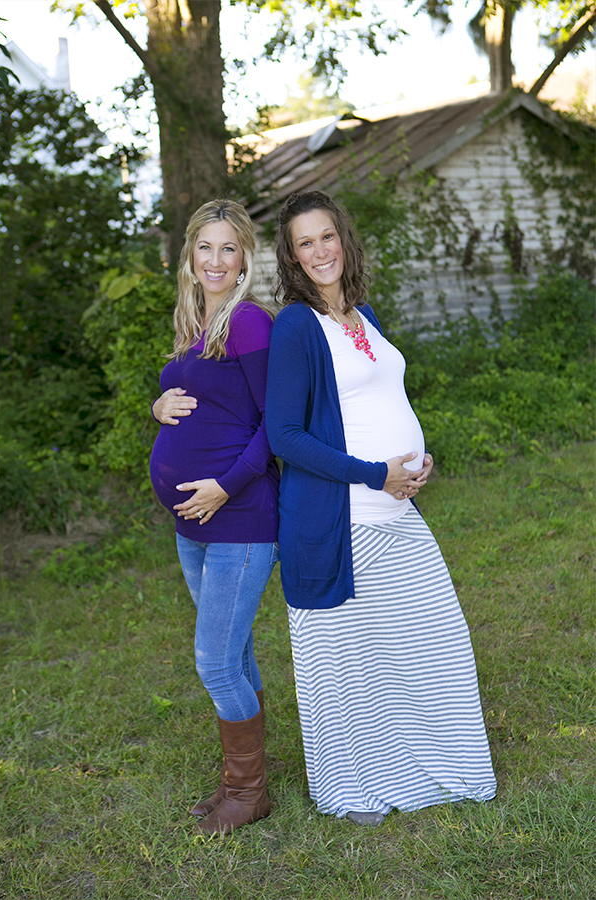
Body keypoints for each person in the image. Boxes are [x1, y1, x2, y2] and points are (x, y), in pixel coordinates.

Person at [265, 190, 496, 826]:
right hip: (342, 523)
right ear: (291, 256)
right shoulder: (296, 326)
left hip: (397, 511)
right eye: (304, 243)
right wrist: (376, 473)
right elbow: (284, 435)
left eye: (327, 236)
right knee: (346, 663)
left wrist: (415, 460)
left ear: (344, 237)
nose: (320, 251)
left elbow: (380, 401)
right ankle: (351, 786)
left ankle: (434, 764)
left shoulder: (362, 314)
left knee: (429, 645)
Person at [149, 199, 280, 835]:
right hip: (191, 526)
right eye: (206, 247)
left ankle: (249, 793)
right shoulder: (194, 323)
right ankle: (240, 783)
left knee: (216, 662)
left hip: (240, 519)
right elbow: (201, 401)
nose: (216, 260)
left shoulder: (249, 322)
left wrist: (225, 488)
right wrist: (159, 406)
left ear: (245, 257)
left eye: (229, 248)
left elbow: (277, 424)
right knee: (236, 651)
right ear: (190, 255)